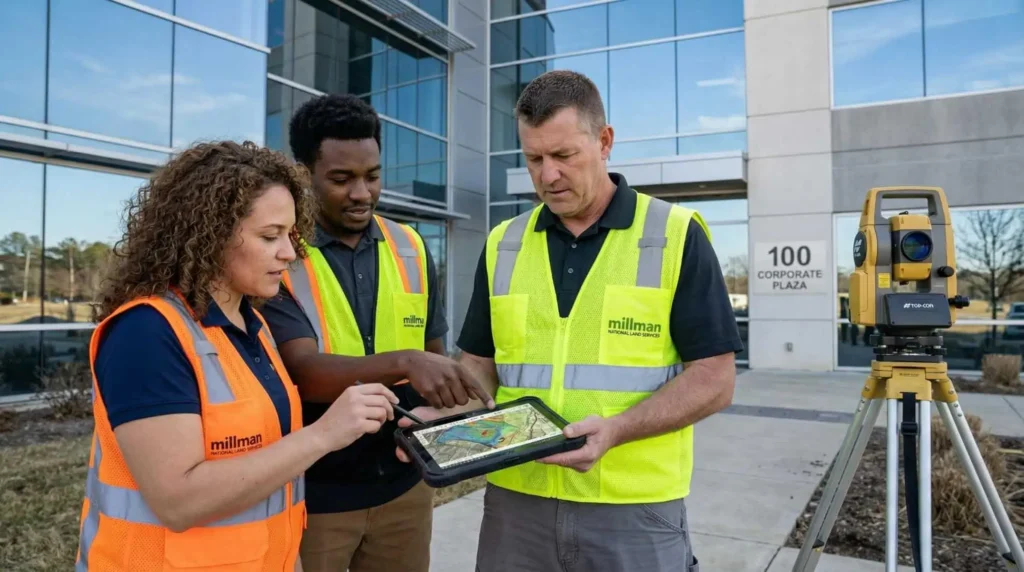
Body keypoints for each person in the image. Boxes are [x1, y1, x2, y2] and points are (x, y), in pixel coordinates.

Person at [438, 69, 744, 571]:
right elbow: (479, 364)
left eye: (563, 156)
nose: (547, 175)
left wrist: (618, 430)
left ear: (604, 142)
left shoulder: (674, 234)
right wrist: (446, 421)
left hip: (633, 509)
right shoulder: (503, 243)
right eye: (533, 158)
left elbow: (716, 380)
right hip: (517, 504)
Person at [75, 140, 400, 571]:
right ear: (208, 234)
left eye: (291, 234)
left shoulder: (254, 326)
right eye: (271, 237)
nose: (291, 253)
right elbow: (179, 500)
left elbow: (268, 469)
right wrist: (324, 434)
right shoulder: (146, 333)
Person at [260, 93, 492, 572]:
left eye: (373, 175)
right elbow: (303, 371)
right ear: (303, 175)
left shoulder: (411, 247)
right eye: (342, 179)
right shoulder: (282, 257)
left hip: (405, 488)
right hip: (315, 494)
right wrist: (405, 362)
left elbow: (435, 363)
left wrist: (443, 408)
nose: (362, 193)